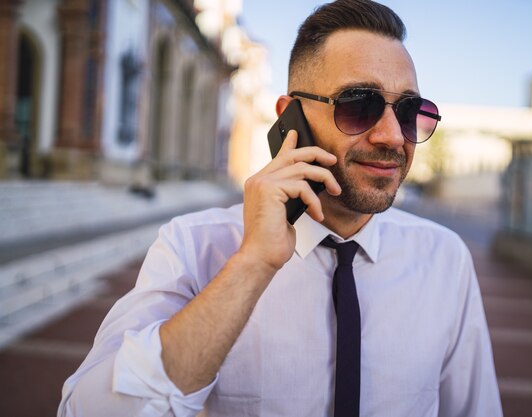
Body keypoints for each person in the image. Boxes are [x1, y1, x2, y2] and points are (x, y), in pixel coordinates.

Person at [58, 1, 502, 416]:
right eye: (359, 105)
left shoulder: (445, 259)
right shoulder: (196, 246)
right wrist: (251, 265)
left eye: (407, 111)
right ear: (292, 117)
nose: (391, 136)